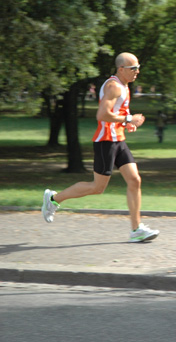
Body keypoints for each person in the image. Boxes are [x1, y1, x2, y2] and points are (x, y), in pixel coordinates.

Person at [41, 52, 159, 243]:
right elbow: (102, 115)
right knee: (97, 187)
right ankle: (53, 199)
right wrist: (129, 118)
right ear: (121, 69)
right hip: (106, 141)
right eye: (133, 68)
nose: (137, 72)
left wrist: (127, 123)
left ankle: (136, 229)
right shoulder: (113, 86)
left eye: (138, 68)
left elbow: (118, 111)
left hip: (118, 140)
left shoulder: (125, 85)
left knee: (135, 180)